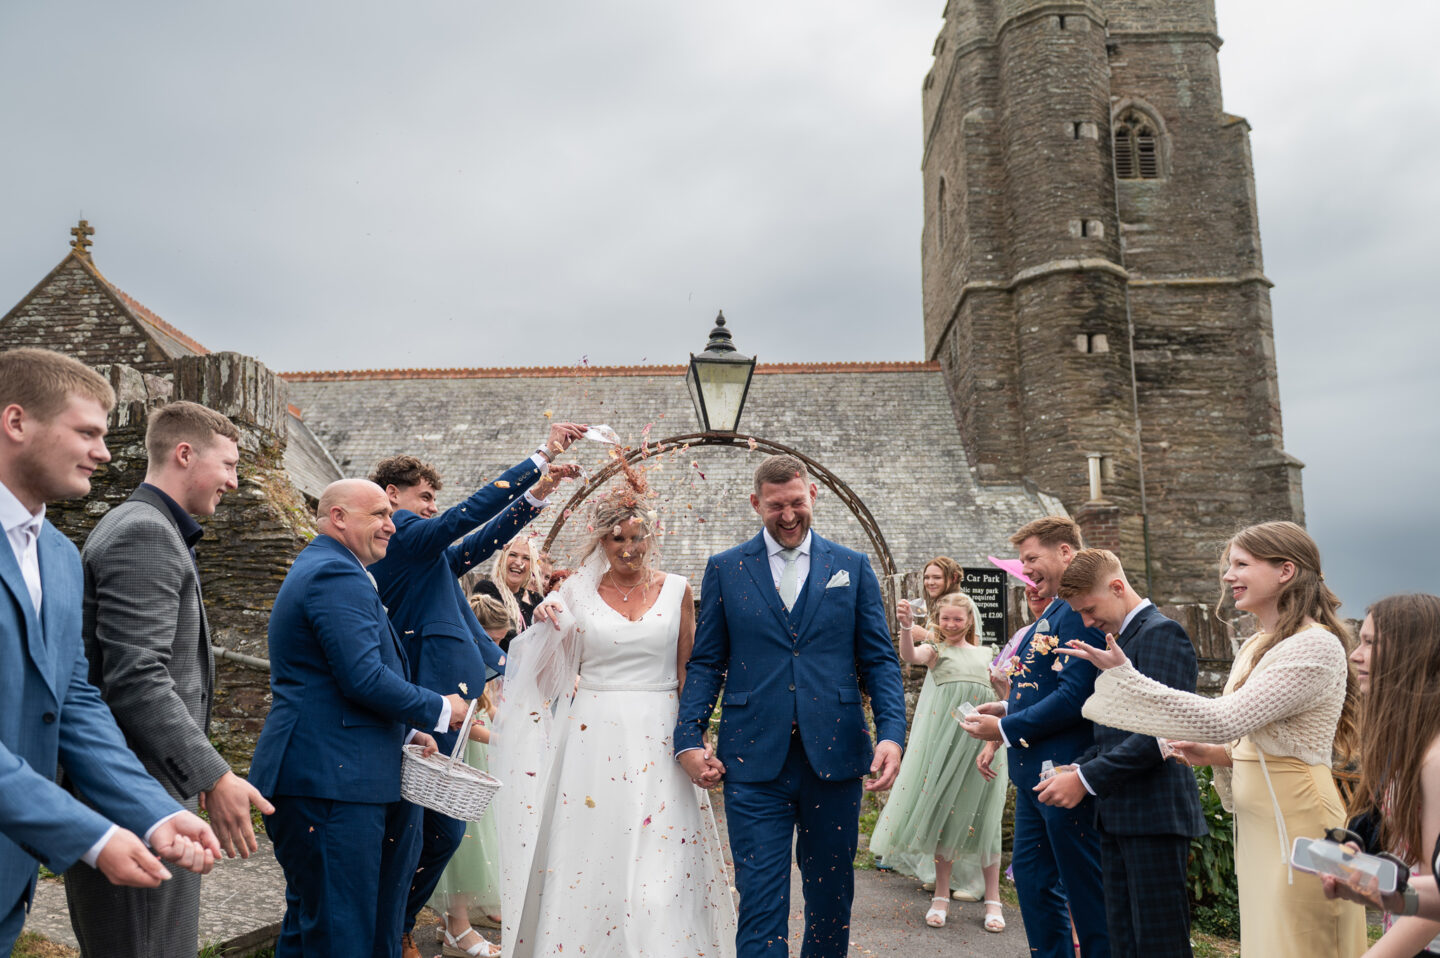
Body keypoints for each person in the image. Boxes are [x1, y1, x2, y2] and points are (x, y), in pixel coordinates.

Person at [0, 347, 221, 953]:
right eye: (88, 432)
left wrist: (153, 810)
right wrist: (91, 835)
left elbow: (73, 701)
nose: (104, 451)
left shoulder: (60, 557)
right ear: (16, 423)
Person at [1064, 520, 1365, 958]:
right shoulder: (1257, 644)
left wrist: (1126, 677)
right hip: (1260, 816)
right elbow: (1257, 736)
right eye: (1230, 565)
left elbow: (1224, 719)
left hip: (1298, 815)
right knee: (1266, 944)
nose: (1228, 576)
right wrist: (1216, 755)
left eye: (1241, 564)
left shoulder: (1313, 646)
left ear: (1285, 571)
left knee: (1303, 942)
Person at [674, 454, 907, 958]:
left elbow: (880, 661)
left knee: (831, 897)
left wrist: (891, 734)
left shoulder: (852, 567)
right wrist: (688, 738)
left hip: (838, 755)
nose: (787, 515)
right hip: (753, 760)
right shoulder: (725, 569)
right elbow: (708, 663)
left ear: (813, 497)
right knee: (759, 899)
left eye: (797, 502)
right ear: (756, 503)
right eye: (775, 505)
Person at [65, 401, 275, 958]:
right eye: (228, 465)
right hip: (136, 799)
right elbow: (137, 678)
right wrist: (215, 774)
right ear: (184, 454)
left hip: (148, 792)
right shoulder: (144, 533)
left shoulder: (152, 527)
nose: (234, 481)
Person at [366, 426, 583, 958]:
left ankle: (397, 923)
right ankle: (388, 933)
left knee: (441, 834)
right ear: (392, 496)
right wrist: (540, 456)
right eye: (424, 497)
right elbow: (464, 518)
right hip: (422, 700)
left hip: (443, 697)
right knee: (416, 833)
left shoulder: (423, 550)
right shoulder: (404, 536)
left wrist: (537, 496)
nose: (432, 508)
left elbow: (476, 544)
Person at [494, 490, 736, 957]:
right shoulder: (574, 594)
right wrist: (546, 625)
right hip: (592, 735)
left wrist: (697, 739)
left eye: (637, 536)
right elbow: (545, 685)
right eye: (616, 538)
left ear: (652, 535)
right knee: (591, 853)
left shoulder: (678, 589)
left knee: (662, 862)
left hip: (662, 733)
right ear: (601, 541)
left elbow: (690, 671)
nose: (629, 548)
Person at [248, 478, 469, 958]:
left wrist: (408, 730)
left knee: (317, 928)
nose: (392, 526)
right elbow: (362, 676)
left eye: (390, 515)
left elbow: (336, 677)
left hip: (337, 776)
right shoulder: (335, 574)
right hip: (330, 783)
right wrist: (436, 709)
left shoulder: (338, 569)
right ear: (338, 517)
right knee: (337, 934)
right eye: (379, 515)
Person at [1035, 549, 1207, 958]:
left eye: (1090, 609)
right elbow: (1116, 731)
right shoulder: (1122, 639)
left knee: (1158, 946)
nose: (1087, 621)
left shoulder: (1162, 633)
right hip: (1116, 815)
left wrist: (1085, 779)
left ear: (1117, 586)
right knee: (1124, 945)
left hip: (1154, 816)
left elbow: (1164, 734)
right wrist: (1078, 765)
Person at [959, 515, 1109, 958]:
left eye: (1031, 559)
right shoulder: (1055, 609)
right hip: (1032, 777)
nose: (1026, 570)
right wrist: (1005, 706)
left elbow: (1075, 695)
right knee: (1031, 879)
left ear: (1065, 552)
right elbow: (1040, 684)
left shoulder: (1080, 612)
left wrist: (1003, 728)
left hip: (1064, 772)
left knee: (1084, 891)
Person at [870, 591, 1007, 932]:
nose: (950, 624)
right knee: (947, 815)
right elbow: (910, 655)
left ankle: (993, 899)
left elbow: (1006, 699)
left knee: (986, 819)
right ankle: (941, 895)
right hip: (948, 745)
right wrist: (906, 627)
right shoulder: (937, 650)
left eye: (957, 619)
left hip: (983, 745)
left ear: (970, 620)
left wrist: (1004, 690)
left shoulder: (990, 654)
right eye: (945, 619)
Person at [1320, 594, 1440, 956]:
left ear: (1413, 653)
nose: (1355, 655)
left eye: (1370, 643)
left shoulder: (1434, 761)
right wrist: (1356, 856)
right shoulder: (1407, 747)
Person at [473, 536, 545, 639]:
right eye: (513, 555)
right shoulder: (487, 591)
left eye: (526, 558)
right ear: (502, 559)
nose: (519, 563)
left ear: (532, 565)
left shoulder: (536, 599)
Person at [903, 555, 964, 639]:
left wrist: (925, 635)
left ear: (954, 578)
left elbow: (970, 645)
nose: (930, 582)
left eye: (937, 577)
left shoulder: (963, 605)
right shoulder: (937, 605)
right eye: (926, 577)